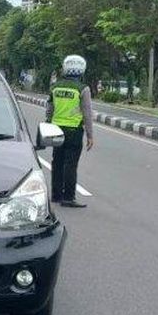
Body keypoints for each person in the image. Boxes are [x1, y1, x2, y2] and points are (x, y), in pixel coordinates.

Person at [46, 54, 94, 208]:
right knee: (70, 164)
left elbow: (49, 109)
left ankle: (56, 195)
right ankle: (68, 197)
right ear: (82, 70)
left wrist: (48, 124)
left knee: (57, 162)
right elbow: (87, 113)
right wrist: (90, 135)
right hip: (74, 131)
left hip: (56, 129)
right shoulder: (83, 89)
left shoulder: (55, 87)